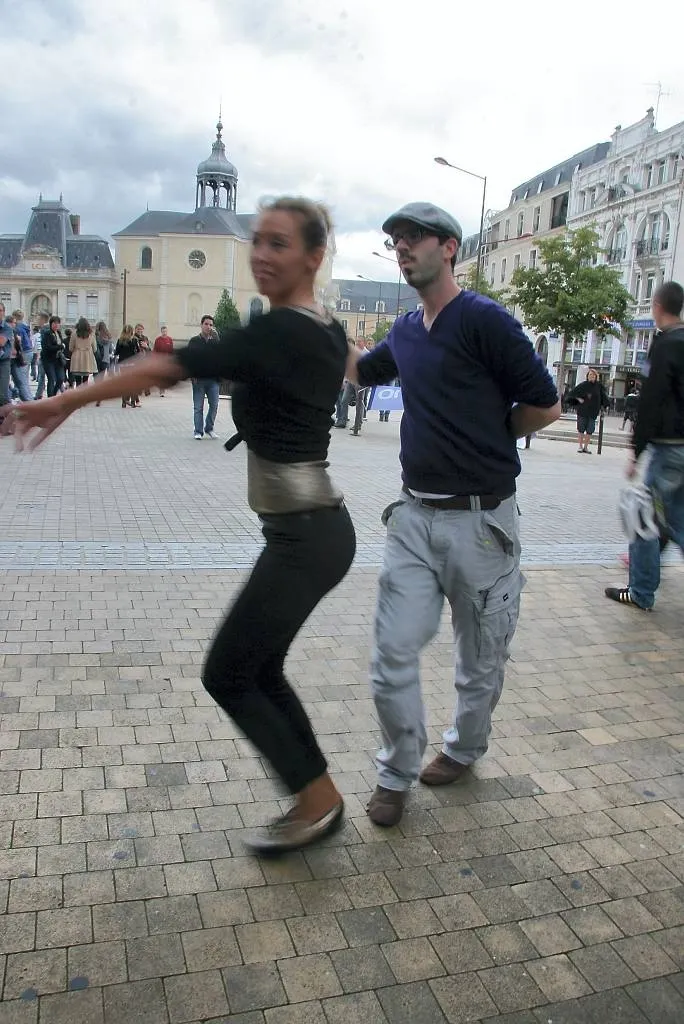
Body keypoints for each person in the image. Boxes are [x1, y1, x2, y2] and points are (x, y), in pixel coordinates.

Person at [2, 195, 356, 855]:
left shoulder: (283, 331)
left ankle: (317, 801)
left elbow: (166, 365)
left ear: (314, 257)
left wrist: (63, 400)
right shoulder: (322, 328)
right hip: (310, 531)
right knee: (259, 669)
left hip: (307, 537)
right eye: (258, 240)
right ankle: (318, 796)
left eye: (279, 243)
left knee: (229, 673)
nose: (261, 254)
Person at [345, 202, 560, 827]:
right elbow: (361, 369)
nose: (402, 248)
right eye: (396, 240)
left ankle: (463, 749)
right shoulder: (407, 331)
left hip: (481, 523)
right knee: (392, 650)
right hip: (413, 518)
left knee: (481, 657)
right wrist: (311, 330)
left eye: (413, 237)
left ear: (449, 248)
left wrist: (492, 435)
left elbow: (545, 404)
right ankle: (395, 773)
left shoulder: (484, 320)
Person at [605, 280, 684, 610]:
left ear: (657, 306)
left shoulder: (665, 345)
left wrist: (635, 451)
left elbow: (651, 401)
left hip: (668, 446)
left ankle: (641, 591)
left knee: (643, 518)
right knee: (677, 519)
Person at [188, 315, 221, 439]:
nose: (208, 327)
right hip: (199, 380)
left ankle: (209, 428)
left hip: (213, 380)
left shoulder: (215, 342)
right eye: (206, 324)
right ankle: (198, 431)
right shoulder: (194, 341)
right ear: (201, 325)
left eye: (211, 325)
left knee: (214, 405)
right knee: (198, 407)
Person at [569, 368, 609, 453]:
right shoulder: (583, 385)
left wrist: (604, 407)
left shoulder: (599, 386)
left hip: (593, 411)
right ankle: (580, 446)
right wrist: (578, 399)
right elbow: (573, 393)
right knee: (581, 429)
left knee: (590, 430)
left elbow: (604, 398)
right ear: (587, 376)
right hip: (582, 410)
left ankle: (586, 447)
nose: (592, 376)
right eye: (590, 375)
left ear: (596, 376)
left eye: (593, 375)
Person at [39, 316, 66, 398]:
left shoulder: (58, 333)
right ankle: (50, 397)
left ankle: (54, 394)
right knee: (51, 379)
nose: (56, 325)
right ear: (51, 324)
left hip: (58, 359)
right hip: (48, 359)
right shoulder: (47, 334)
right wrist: (60, 346)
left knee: (61, 378)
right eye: (54, 323)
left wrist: (61, 347)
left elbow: (61, 344)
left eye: (58, 323)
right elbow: (47, 347)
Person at [115, 325, 141, 407]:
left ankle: (124, 402)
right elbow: (138, 352)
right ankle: (133, 402)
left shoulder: (120, 340)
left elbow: (116, 352)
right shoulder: (134, 340)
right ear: (132, 331)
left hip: (123, 364)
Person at [68, 317, 98, 387]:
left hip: (76, 359)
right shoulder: (91, 334)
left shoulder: (74, 334)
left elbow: (70, 348)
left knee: (78, 381)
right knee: (85, 380)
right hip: (87, 359)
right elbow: (95, 349)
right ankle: (84, 393)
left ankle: (78, 392)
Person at [153, 326, 174, 396]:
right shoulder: (158, 340)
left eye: (165, 331)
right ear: (161, 332)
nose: (164, 333)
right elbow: (155, 350)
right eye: (163, 331)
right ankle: (161, 390)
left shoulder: (169, 339)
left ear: (167, 332)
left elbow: (171, 350)